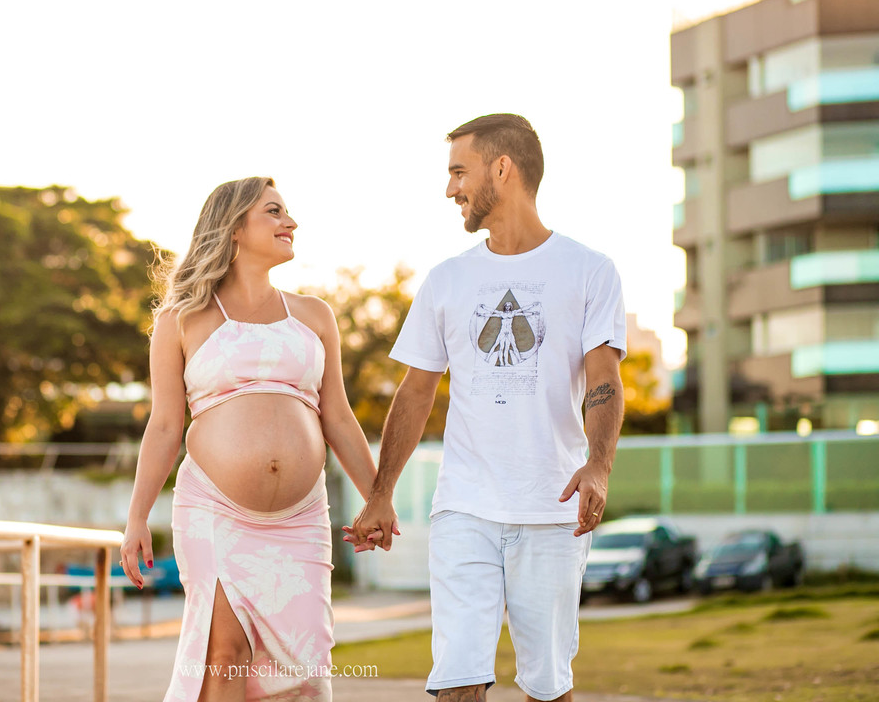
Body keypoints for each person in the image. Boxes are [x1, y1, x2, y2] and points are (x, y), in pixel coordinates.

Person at [348, 114, 626, 702]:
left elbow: (604, 378)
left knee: (547, 689)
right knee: (457, 682)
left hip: (553, 509)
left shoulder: (590, 271)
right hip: (464, 508)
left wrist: (599, 465)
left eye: (459, 172)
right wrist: (380, 494)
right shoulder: (447, 280)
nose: (451, 190)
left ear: (502, 168)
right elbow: (416, 391)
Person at [121, 176, 377, 702]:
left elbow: (341, 419)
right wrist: (136, 517)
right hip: (215, 514)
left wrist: (379, 497)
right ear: (235, 228)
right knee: (224, 656)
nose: (291, 222)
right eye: (275, 212)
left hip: (301, 520)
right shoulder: (181, 319)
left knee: (302, 669)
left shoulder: (315, 315)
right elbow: (166, 425)